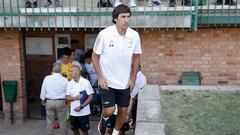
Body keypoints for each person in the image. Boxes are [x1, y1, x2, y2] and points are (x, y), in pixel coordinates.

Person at [92, 4, 142, 135]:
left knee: (123, 112)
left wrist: (133, 78)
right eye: (123, 17)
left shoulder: (134, 35)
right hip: (107, 81)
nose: (126, 20)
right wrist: (100, 78)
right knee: (109, 110)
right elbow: (95, 56)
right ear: (115, 19)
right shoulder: (104, 34)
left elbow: (137, 57)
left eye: (128, 17)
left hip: (124, 82)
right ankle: (104, 118)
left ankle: (115, 133)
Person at [40, 63, 68, 135]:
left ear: (52, 69)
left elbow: (43, 91)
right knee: (63, 122)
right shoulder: (65, 79)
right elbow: (68, 92)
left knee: (49, 122)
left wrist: (43, 100)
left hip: (49, 102)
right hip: (61, 102)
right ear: (61, 70)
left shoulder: (47, 78)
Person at [65, 65, 94, 135]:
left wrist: (81, 107)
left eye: (71, 71)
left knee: (84, 131)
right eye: (69, 71)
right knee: (74, 130)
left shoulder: (86, 82)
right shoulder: (70, 83)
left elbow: (91, 97)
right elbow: (66, 97)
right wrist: (75, 98)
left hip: (84, 112)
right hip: (73, 112)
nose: (69, 73)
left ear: (78, 72)